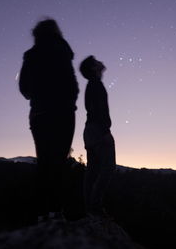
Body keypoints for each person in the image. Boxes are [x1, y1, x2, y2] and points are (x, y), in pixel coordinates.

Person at [19, 19, 79, 220]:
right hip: (63, 112)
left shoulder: (31, 55)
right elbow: (72, 85)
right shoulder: (62, 50)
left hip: (40, 114)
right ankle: (56, 211)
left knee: (44, 162)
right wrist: (68, 100)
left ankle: (42, 213)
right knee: (59, 162)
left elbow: (24, 89)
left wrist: (37, 95)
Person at [79, 55, 116, 217]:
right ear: (94, 68)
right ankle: (95, 207)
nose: (101, 62)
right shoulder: (96, 85)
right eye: (96, 62)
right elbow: (97, 110)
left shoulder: (91, 85)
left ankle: (90, 207)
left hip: (90, 130)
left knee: (93, 170)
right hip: (97, 130)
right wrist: (105, 131)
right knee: (107, 168)